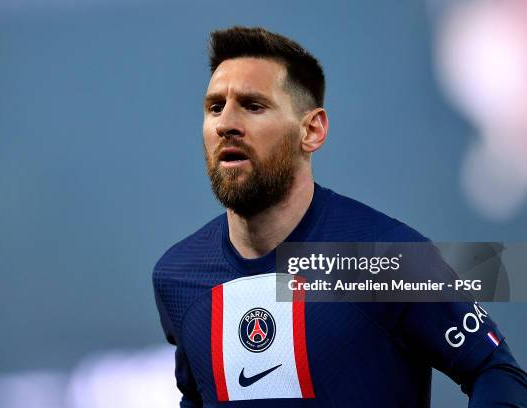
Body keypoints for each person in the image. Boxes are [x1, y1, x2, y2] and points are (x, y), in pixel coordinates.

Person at [152, 26, 526, 407]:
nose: (225, 123)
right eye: (215, 107)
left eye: (253, 106)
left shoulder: (388, 260)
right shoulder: (177, 276)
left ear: (312, 130)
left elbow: (496, 371)